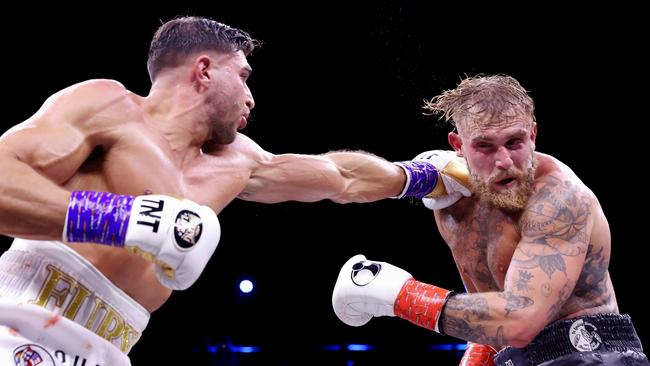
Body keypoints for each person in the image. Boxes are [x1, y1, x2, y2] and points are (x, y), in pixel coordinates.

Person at [0, 15, 447, 366]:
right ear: (204, 70)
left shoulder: (240, 162)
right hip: (18, 318)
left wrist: (424, 176)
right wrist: (125, 220)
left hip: (111, 346)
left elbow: (342, 177)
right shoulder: (109, 106)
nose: (251, 97)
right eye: (244, 75)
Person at [332, 75, 649, 365]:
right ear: (459, 147)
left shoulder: (557, 197)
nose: (504, 161)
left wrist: (399, 295)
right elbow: (495, 320)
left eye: (514, 142)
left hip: (592, 354)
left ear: (533, 135)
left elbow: (519, 321)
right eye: (485, 146)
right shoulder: (457, 213)